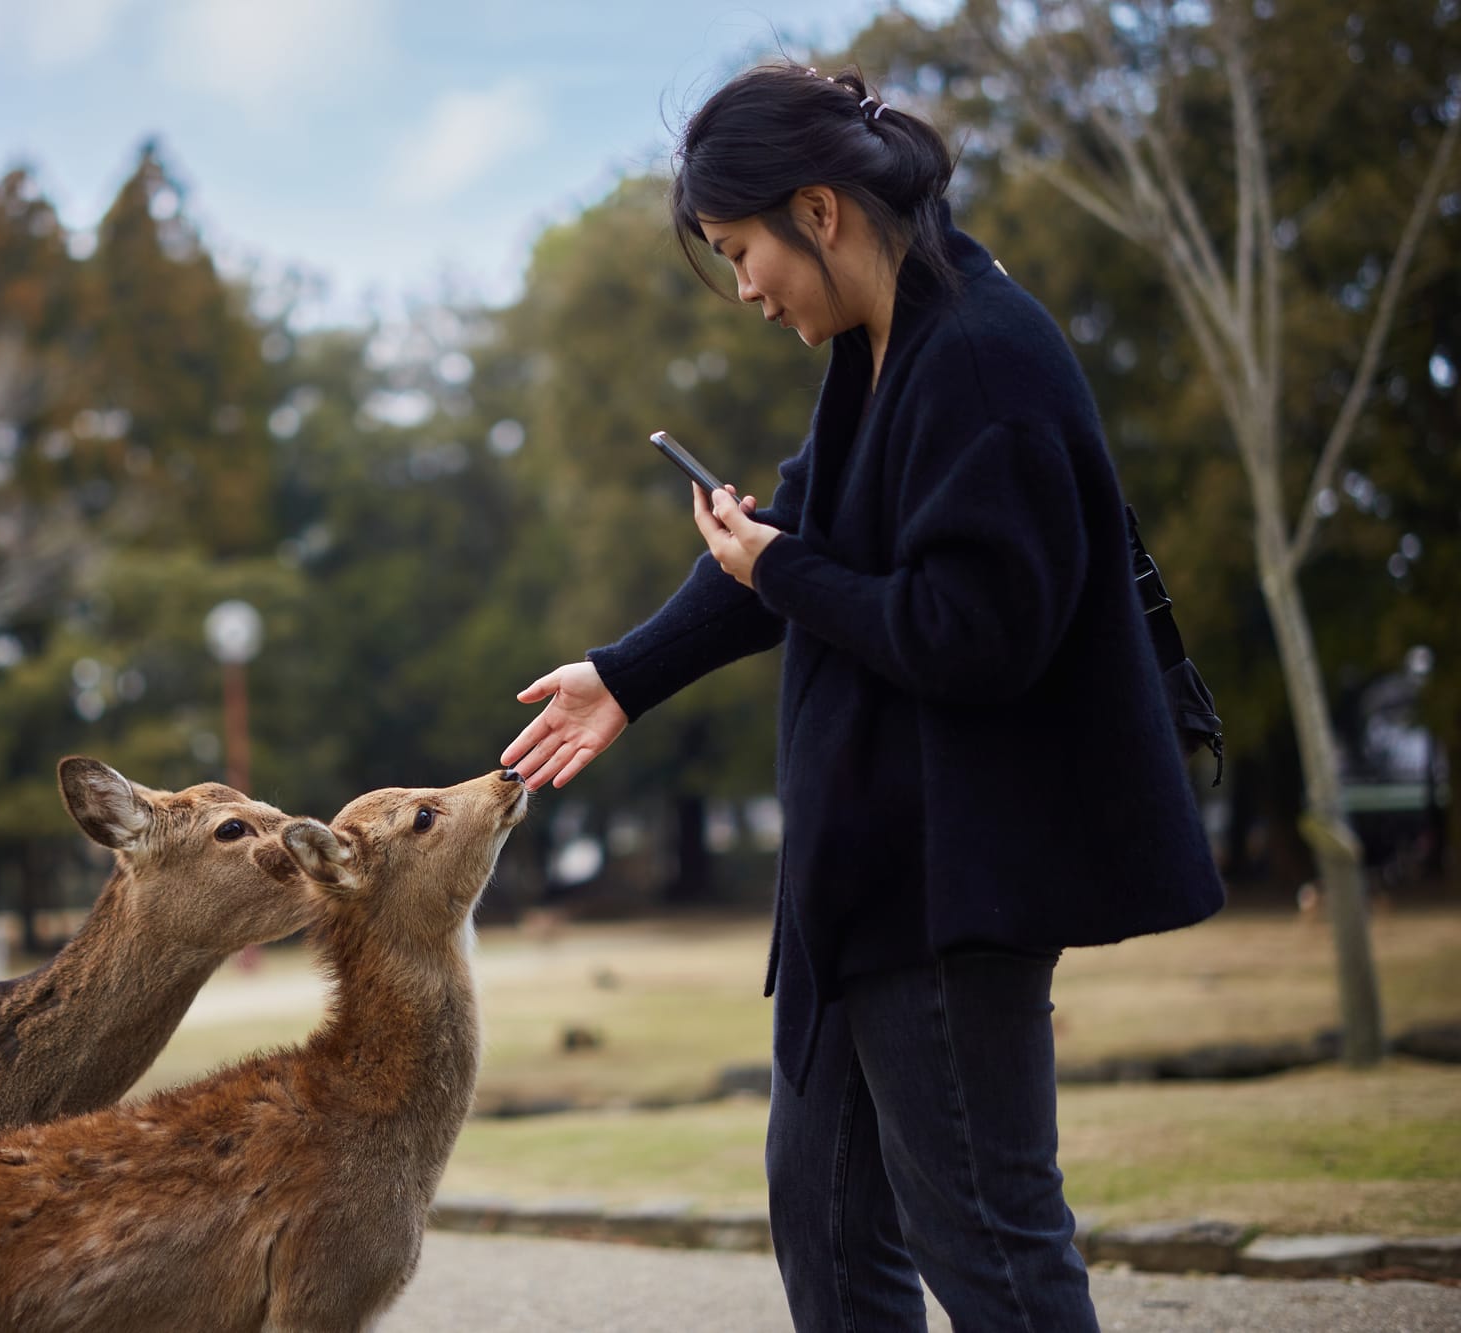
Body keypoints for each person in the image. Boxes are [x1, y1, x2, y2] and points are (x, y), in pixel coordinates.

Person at [499, 60, 1224, 1333]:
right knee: (825, 1221)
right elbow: (787, 533)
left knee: (991, 1245)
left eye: (741, 250)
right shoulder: (888, 342)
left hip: (952, 885)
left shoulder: (982, 364)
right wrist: (626, 673)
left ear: (817, 210)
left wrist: (783, 565)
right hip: (863, 880)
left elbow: (972, 637)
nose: (744, 290)